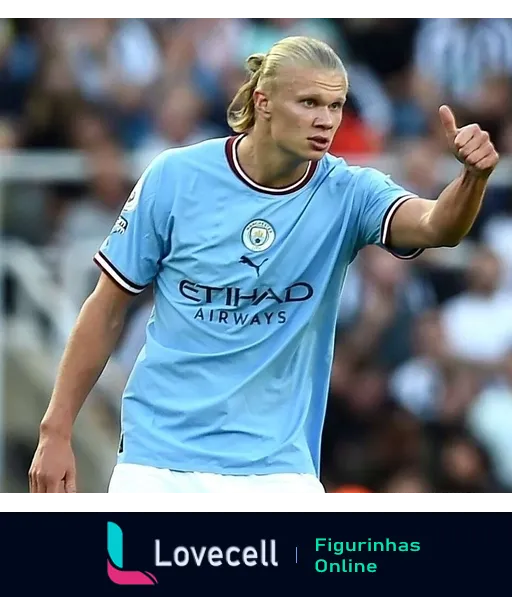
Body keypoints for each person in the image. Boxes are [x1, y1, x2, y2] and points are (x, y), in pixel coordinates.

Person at [28, 35, 499, 496]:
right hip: (159, 460)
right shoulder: (176, 177)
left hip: (277, 469)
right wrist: (56, 430)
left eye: (335, 106)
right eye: (310, 102)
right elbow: (106, 309)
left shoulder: (350, 192)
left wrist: (471, 179)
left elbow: (439, 226)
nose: (326, 120)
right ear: (264, 100)